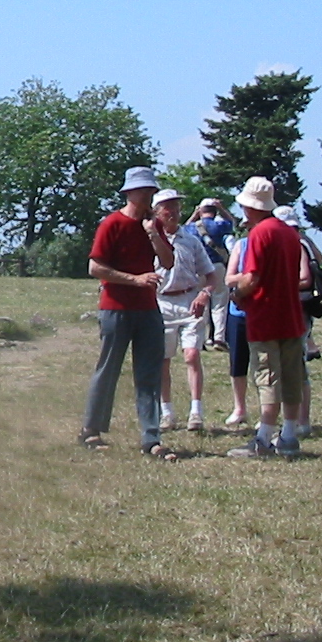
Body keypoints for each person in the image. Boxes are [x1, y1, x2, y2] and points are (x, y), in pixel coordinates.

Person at [79, 167, 178, 460]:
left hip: (148, 309)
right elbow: (95, 267)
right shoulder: (111, 224)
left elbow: (168, 262)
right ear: (130, 193)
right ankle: (90, 430)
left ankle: (152, 438)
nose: (149, 195)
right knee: (108, 368)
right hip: (116, 308)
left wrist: (153, 236)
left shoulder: (154, 225)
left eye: (151, 190)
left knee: (149, 373)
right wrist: (135, 279)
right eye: (144, 190)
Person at [226, 177, 312, 460]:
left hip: (265, 315)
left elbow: (252, 278)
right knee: (292, 376)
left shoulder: (259, 234)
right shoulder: (288, 233)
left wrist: (236, 293)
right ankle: (288, 435)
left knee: (267, 377)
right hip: (292, 316)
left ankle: (263, 437)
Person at [153, 189, 222, 432]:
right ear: (156, 212)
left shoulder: (191, 241)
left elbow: (211, 275)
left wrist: (204, 294)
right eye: (167, 208)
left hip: (189, 301)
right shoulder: (151, 241)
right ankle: (167, 412)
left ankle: (196, 411)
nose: (172, 212)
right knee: (163, 360)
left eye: (176, 207)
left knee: (192, 355)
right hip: (161, 304)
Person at [275, 205, 322, 437]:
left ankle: (301, 420)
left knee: (296, 364)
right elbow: (321, 259)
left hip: (298, 306)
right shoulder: (304, 241)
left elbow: (304, 277)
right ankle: (298, 419)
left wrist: (279, 287)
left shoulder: (296, 243)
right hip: (300, 307)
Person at [189, 198, 235, 349]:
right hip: (217, 265)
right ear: (214, 212)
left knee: (200, 303)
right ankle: (219, 338)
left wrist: (194, 214)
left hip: (198, 267)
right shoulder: (219, 225)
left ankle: (200, 339)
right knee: (219, 303)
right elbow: (231, 222)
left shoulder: (192, 228)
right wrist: (222, 208)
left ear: (201, 210)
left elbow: (182, 228)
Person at [223, 230, 252, 427]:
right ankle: (239, 408)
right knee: (238, 361)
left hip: (263, 312)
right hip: (238, 313)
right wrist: (251, 275)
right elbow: (229, 279)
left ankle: (268, 410)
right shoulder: (241, 245)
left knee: (263, 363)